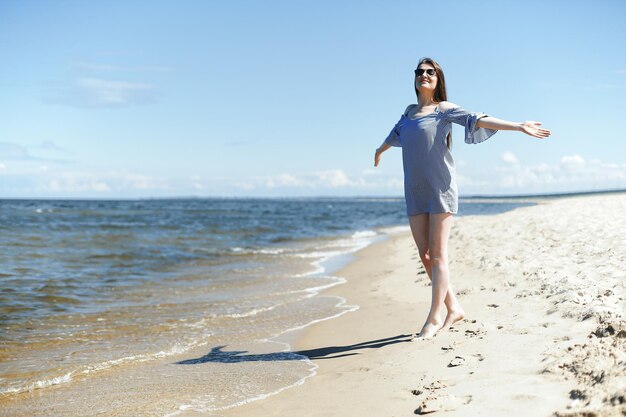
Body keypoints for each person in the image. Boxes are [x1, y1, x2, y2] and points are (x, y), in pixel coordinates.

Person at [374, 57, 550, 340]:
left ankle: (433, 318)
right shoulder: (408, 112)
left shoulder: (443, 109)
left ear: (437, 79)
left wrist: (517, 126)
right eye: (420, 71)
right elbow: (395, 133)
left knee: (439, 255)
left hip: (440, 189)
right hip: (414, 191)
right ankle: (453, 306)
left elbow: (476, 118)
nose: (424, 75)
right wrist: (380, 150)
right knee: (425, 255)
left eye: (430, 72)